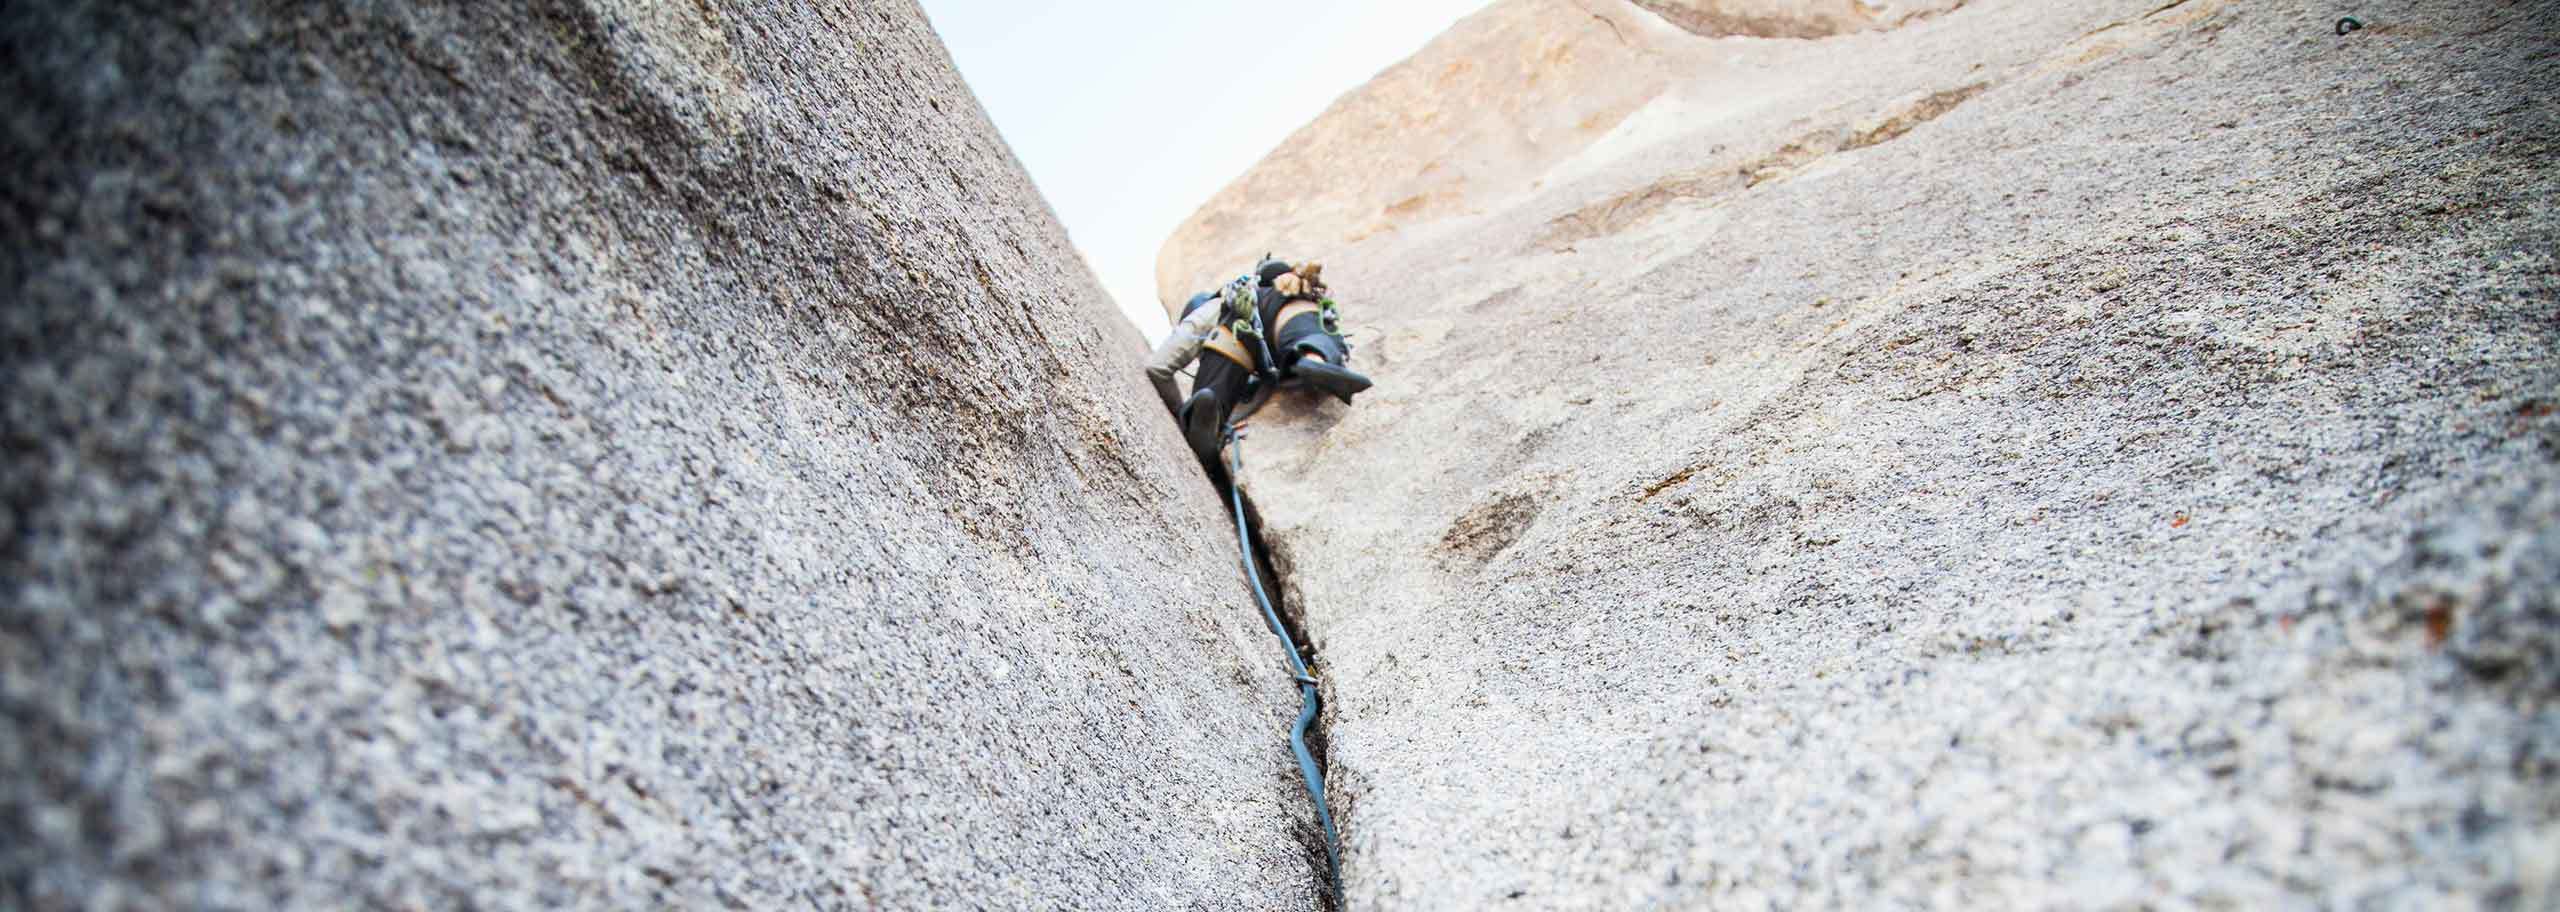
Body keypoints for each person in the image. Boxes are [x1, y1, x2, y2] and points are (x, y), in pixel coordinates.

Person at [1156, 257, 1372, 467]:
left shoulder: (1223, 303)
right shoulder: (1297, 294)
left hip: (1240, 336)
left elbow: (1158, 367)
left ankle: (1209, 413)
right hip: (1296, 316)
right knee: (1312, 333)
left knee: (1223, 360)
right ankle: (1314, 358)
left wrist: (1177, 411)